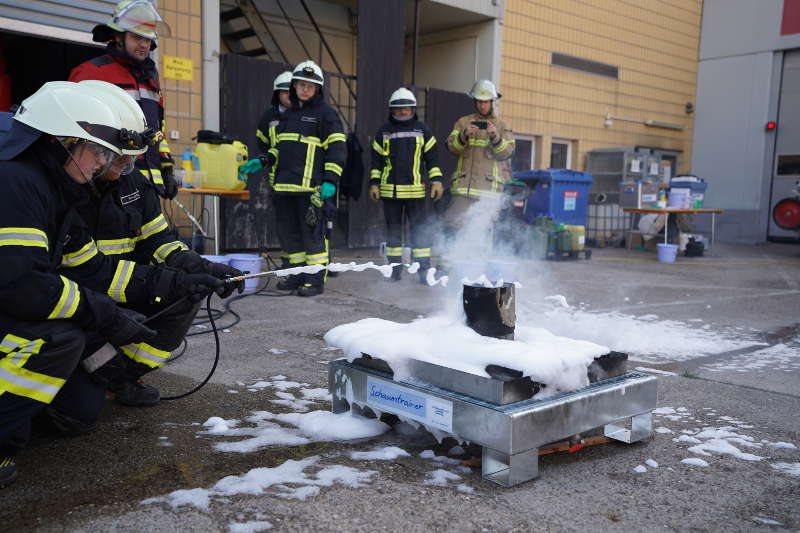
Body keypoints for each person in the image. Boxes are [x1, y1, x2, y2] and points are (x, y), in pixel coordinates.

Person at [0, 80, 225, 488]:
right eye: (100, 152)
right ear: (65, 140)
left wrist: (183, 278)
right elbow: (25, 285)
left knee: (78, 417)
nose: (104, 165)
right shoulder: (16, 182)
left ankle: (104, 381)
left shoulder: (55, 186)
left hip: (55, 309)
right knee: (61, 340)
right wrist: (102, 312)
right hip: (36, 314)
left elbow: (93, 270)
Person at [70, 81, 244, 407]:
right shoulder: (67, 192)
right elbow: (88, 272)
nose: (127, 165)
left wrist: (204, 269)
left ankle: (122, 377)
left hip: (119, 288)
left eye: (133, 157)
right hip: (77, 302)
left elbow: (161, 242)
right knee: (75, 417)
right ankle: (92, 372)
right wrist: (167, 281)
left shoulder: (134, 185)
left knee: (187, 294)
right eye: (119, 156)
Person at [243, 60, 346, 297]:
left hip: (311, 189)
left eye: (311, 85)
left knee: (312, 238)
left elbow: (337, 150)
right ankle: (297, 275)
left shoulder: (327, 115)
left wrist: (331, 180)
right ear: (294, 86)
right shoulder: (290, 115)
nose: (305, 89)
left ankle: (315, 279)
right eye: (301, 84)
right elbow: (280, 147)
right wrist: (264, 160)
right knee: (290, 237)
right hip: (284, 188)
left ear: (318, 88)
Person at [69, 0, 178, 200]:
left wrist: (167, 167)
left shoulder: (150, 79)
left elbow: (157, 130)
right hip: (108, 185)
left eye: (148, 38)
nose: (144, 44)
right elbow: (76, 132)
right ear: (118, 36)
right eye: (137, 37)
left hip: (148, 188)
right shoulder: (92, 72)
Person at [369, 87, 443, 282]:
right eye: (399, 109)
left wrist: (436, 181)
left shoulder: (423, 130)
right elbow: (376, 161)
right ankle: (394, 270)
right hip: (390, 193)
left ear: (413, 109)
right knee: (393, 234)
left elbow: (432, 159)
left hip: (415, 193)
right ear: (391, 110)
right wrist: (374, 184)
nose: (403, 112)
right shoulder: (384, 132)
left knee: (419, 234)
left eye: (407, 108)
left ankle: (423, 272)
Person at [240, 71, 293, 268]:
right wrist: (268, 158)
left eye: (291, 91)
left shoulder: (302, 114)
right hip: (278, 178)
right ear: (277, 94)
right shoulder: (268, 117)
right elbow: (262, 142)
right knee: (284, 224)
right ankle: (289, 264)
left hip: (304, 178)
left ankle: (318, 264)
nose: (288, 95)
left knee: (309, 225)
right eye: (284, 92)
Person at [445, 80, 515, 230]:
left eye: (486, 102)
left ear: (492, 101)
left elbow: (507, 153)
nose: (482, 106)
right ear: (475, 101)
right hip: (463, 189)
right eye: (479, 102)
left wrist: (495, 138)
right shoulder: (463, 122)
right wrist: (464, 135)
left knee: (482, 233)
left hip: (488, 192)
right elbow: (451, 147)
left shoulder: (502, 126)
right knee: (455, 230)